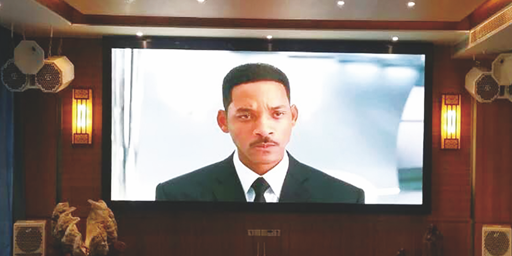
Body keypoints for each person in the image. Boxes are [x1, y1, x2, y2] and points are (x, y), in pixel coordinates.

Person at [155, 63, 365, 203]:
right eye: (246, 116)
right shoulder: (176, 196)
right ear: (223, 121)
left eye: (277, 114)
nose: (264, 130)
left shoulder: (343, 197)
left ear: (293, 116)